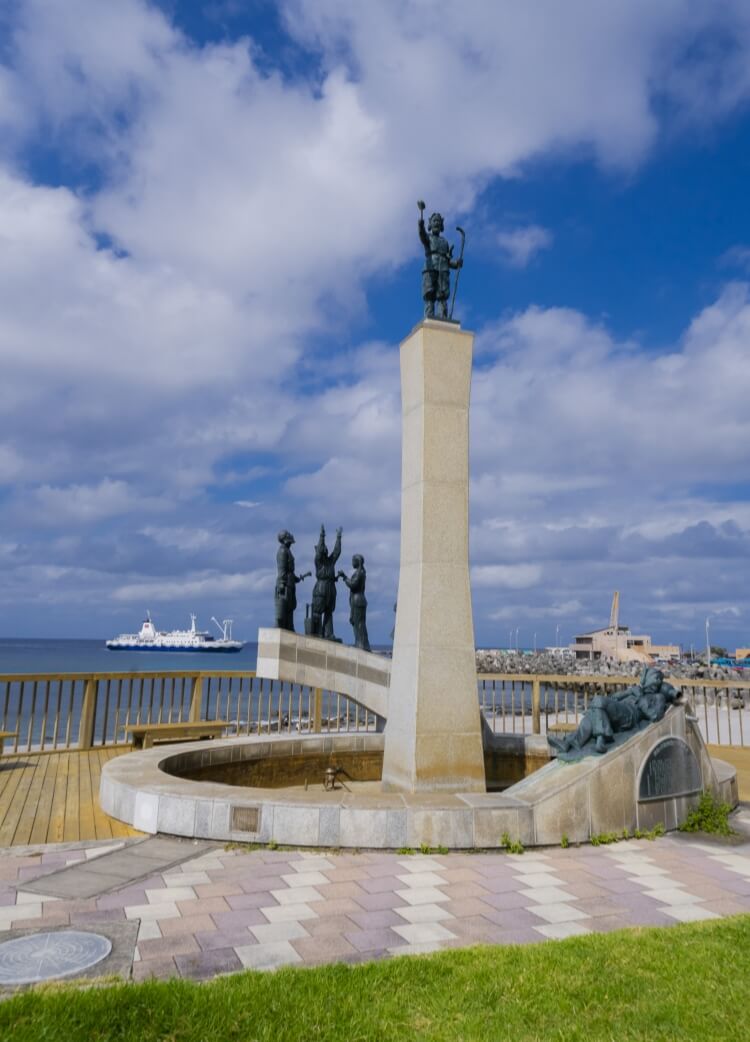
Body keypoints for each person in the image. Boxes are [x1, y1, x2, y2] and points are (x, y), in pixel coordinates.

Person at [548, 667, 679, 755]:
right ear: (645, 679)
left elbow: (655, 715)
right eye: (655, 677)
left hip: (630, 715)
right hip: (619, 710)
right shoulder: (635, 689)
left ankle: (602, 737)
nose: (657, 681)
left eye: (659, 680)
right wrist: (629, 691)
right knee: (592, 715)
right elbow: (613, 698)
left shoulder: (658, 697)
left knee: (598, 702)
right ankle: (569, 743)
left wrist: (640, 698)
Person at [418, 205, 463, 320]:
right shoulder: (428, 238)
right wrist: (420, 224)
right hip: (430, 268)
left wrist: (456, 264)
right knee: (430, 296)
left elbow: (448, 262)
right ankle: (429, 318)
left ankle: (442, 318)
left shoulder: (444, 242)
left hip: (443, 270)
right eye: (434, 221)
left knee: (442, 296)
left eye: (438, 221)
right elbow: (422, 235)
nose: (436, 223)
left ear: (441, 225)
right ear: (430, 224)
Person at [310, 524, 342, 639]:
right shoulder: (319, 562)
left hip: (330, 588)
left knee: (329, 612)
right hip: (321, 588)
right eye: (323, 549)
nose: (325, 550)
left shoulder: (330, 561)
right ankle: (316, 632)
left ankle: (328, 634)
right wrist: (322, 536)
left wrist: (338, 538)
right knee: (317, 611)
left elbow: (337, 552)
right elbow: (318, 552)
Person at [274, 530, 309, 631]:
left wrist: (297, 579)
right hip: (285, 585)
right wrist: (281, 584)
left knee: (290, 607)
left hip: (290, 584)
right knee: (284, 607)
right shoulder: (282, 551)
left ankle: (289, 626)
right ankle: (283, 626)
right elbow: (282, 570)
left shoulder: (287, 550)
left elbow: (290, 572)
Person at [338, 554, 371, 651]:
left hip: (358, 600)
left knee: (359, 624)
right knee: (357, 623)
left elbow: (353, 585)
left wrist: (344, 577)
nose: (352, 562)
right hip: (358, 600)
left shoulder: (359, 573)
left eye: (353, 560)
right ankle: (359, 643)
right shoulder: (361, 572)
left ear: (358, 561)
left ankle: (361, 645)